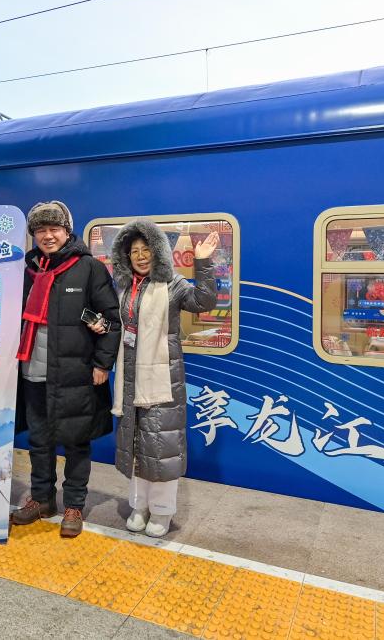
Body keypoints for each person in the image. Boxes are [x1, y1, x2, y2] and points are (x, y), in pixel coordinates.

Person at [98, 220, 218, 537]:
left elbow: (204, 302)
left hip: (163, 377)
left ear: (158, 253)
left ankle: (162, 511)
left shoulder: (173, 284)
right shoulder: (123, 288)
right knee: (136, 444)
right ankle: (139, 506)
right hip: (130, 377)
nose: (140, 256)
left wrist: (203, 262)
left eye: (146, 250)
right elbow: (117, 325)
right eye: (134, 251)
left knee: (161, 444)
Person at [10, 201, 121, 538]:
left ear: (67, 231)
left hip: (76, 373)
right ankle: (42, 499)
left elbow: (112, 321)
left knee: (76, 441)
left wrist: (102, 363)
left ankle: (74, 504)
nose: (48, 235)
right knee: (39, 440)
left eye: (54, 229)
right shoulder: (27, 270)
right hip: (32, 371)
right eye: (40, 230)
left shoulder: (89, 268)